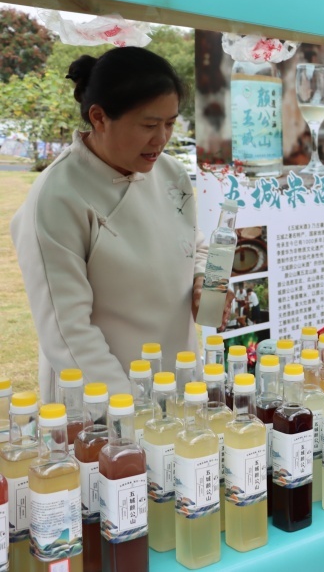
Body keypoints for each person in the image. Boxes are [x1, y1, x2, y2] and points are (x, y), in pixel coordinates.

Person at [11, 47, 206, 400]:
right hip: (103, 399)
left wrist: (201, 276)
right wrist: (126, 413)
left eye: (170, 123)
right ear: (99, 117)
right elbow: (68, 331)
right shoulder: (58, 197)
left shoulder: (171, 173)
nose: (161, 139)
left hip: (178, 383)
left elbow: (193, 241)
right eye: (149, 125)